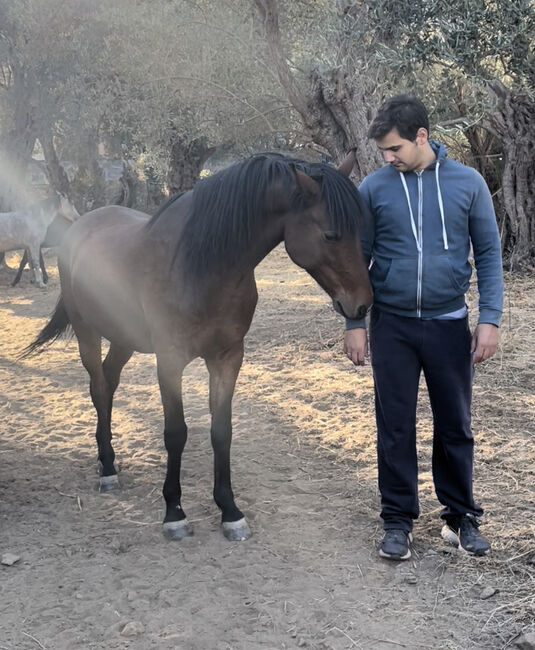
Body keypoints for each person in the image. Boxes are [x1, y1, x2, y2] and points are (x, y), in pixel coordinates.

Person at [344, 94, 503, 560]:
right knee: (394, 426)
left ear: (421, 136)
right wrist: (355, 322)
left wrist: (489, 319)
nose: (388, 159)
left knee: (455, 424)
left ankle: (459, 518)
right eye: (383, 153)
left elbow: (490, 256)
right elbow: (357, 262)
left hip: (449, 324)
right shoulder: (373, 189)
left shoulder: (467, 183)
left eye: (395, 149)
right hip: (391, 325)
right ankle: (397, 522)